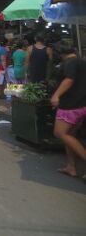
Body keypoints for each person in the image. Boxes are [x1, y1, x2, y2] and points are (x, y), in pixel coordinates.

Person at [51, 41, 86, 180]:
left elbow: (69, 80)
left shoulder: (69, 63)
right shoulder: (81, 62)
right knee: (70, 134)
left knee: (60, 133)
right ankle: (71, 166)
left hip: (70, 105)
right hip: (81, 104)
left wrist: (56, 95)